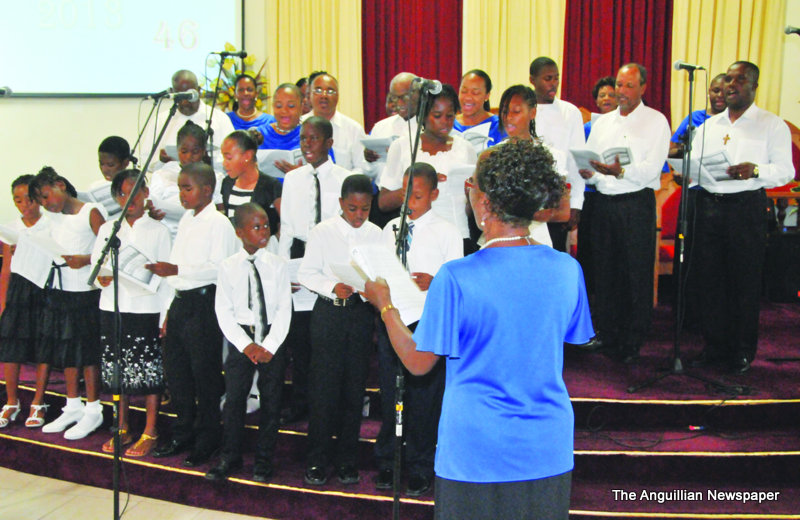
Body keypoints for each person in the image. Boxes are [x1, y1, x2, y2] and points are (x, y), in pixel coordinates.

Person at [363, 139, 593, 519]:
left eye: (470, 184)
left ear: (483, 203)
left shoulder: (456, 276)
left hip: (475, 448)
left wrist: (384, 305)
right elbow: (569, 335)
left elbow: (419, 362)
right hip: (545, 444)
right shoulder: (567, 269)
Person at [688, 61, 793, 373]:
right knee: (710, 280)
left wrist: (755, 169)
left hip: (744, 208)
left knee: (742, 281)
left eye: (739, 80)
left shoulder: (771, 125)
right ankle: (714, 346)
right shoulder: (710, 126)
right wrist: (688, 172)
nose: (731, 86)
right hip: (708, 206)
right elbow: (695, 162)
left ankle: (741, 350)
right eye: (728, 79)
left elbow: (785, 170)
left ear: (754, 86)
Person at [374, 163, 462, 496]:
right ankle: (388, 460)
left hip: (427, 320)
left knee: (424, 396)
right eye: (406, 192)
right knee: (391, 391)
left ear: (434, 195)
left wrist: (435, 282)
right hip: (392, 316)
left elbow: (456, 281)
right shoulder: (391, 228)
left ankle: (421, 464)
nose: (409, 200)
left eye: (419, 195)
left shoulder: (447, 231)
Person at [147, 162, 239, 466]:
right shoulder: (187, 219)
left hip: (204, 304)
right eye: (180, 189)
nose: (182, 195)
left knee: (205, 377)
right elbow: (174, 269)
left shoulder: (219, 223)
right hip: (180, 302)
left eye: (187, 188)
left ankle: (208, 438)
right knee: (178, 375)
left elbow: (220, 268)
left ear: (207, 190)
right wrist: (166, 312)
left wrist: (177, 270)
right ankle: (182, 432)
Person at [578, 63, 671, 363]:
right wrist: (589, 172)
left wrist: (619, 173)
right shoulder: (602, 123)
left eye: (629, 85)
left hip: (635, 203)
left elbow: (650, 170)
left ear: (643, 88)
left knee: (634, 272)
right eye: (619, 85)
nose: (622, 91)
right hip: (603, 204)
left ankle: (633, 338)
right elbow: (591, 163)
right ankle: (606, 332)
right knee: (605, 271)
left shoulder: (656, 121)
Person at [298, 174, 382, 486]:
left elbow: (382, 273)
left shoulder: (377, 234)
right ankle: (317, 460)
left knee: (354, 389)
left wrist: (369, 288)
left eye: (365, 209)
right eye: (352, 209)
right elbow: (306, 272)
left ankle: (347, 460)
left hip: (360, 316)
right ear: (340, 204)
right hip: (329, 315)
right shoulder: (322, 232)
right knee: (324, 390)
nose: (359, 215)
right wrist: (333, 286)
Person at [206, 203, 292, 482]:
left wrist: (269, 344)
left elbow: (283, 309)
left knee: (271, 400)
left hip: (271, 339)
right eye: (256, 227)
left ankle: (264, 460)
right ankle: (229, 456)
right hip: (241, 339)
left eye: (266, 225)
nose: (264, 231)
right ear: (240, 232)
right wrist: (246, 345)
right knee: (234, 400)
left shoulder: (278, 265)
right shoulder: (228, 267)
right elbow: (224, 311)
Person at [277, 116, 353, 425]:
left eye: (314, 138)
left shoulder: (345, 177)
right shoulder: (293, 179)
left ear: (329, 143)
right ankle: (301, 403)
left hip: (329, 257)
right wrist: (285, 270)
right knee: (301, 339)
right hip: (300, 253)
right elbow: (286, 230)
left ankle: (330, 406)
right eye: (303, 138)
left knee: (328, 337)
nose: (307, 144)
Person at [91, 170, 172, 457]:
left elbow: (167, 275)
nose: (131, 199)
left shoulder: (159, 230)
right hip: (113, 306)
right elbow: (96, 263)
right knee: (117, 369)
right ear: (116, 197)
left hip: (146, 308)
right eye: (124, 194)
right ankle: (121, 425)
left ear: (146, 194)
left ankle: (151, 429)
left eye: (136, 192)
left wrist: (165, 314)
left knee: (148, 370)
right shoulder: (109, 229)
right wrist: (101, 277)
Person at [30, 167, 107, 440]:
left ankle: (94, 409)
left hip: (85, 293)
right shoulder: (54, 218)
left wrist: (86, 259)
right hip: (61, 290)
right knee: (66, 349)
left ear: (60, 185)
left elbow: (108, 248)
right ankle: (73, 404)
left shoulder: (91, 211)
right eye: (40, 200)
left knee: (87, 352)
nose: (45, 203)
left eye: (46, 195)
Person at [378, 84, 478, 250]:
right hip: (413, 238)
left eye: (450, 116)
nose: (445, 122)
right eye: (437, 116)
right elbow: (384, 203)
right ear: (423, 115)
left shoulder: (465, 148)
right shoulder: (403, 146)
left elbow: (471, 209)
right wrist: (418, 185)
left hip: (456, 236)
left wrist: (470, 193)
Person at [0, 175, 53, 429]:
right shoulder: (12, 228)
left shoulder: (51, 224)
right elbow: (7, 269)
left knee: (44, 346)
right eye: (18, 200)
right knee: (11, 347)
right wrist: (3, 302)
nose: (24, 205)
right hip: (18, 292)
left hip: (43, 288)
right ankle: (11, 400)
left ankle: (38, 401)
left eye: (29, 199)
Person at [496, 84, 570, 247]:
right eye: (504, 112)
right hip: (501, 237)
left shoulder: (552, 155)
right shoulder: (492, 155)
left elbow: (563, 211)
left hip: (538, 237)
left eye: (516, 112)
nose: (508, 118)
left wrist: (526, 214)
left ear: (533, 113)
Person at [529, 56, 586, 250]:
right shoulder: (524, 109)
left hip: (556, 198)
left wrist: (576, 203)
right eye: (547, 79)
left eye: (556, 78)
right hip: (527, 198)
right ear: (532, 80)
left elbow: (575, 160)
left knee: (554, 253)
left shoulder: (570, 112)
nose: (553, 84)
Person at [144, 70, 235, 172]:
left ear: (199, 91)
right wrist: (161, 161)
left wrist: (209, 161)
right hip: (170, 183)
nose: (185, 100)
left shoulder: (219, 119)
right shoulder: (161, 121)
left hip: (211, 182)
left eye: (189, 94)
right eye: (180, 94)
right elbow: (146, 163)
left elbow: (233, 159)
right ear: (173, 93)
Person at [579, 76, 618, 303]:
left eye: (611, 94)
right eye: (602, 95)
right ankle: (590, 300)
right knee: (590, 250)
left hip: (614, 193)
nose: (606, 99)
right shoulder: (587, 127)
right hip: (590, 196)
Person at [150, 121, 223, 237]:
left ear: (203, 152)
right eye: (184, 152)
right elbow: (152, 203)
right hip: (167, 234)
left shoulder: (215, 177)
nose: (189, 157)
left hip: (201, 234)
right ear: (178, 150)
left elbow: (220, 210)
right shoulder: (163, 174)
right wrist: (152, 213)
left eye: (195, 152)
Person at [300, 72, 372, 177]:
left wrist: (343, 183)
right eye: (318, 90)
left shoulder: (353, 129)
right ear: (309, 95)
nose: (324, 95)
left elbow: (362, 167)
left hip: (343, 189)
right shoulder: (299, 125)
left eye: (330, 91)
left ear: (338, 96)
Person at [220, 130, 282, 241]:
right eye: (223, 158)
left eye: (229, 158)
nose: (224, 163)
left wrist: (272, 244)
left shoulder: (270, 185)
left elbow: (285, 223)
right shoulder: (227, 183)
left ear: (247, 156)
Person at [669, 74, 727, 158]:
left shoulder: (732, 120)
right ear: (709, 92)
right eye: (716, 91)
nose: (720, 95)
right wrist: (685, 149)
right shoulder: (695, 117)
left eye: (725, 92)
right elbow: (671, 150)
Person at [453, 69, 505, 149]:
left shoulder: (499, 126)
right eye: (464, 91)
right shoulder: (448, 124)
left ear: (487, 95)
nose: (468, 97)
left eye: (475, 93)